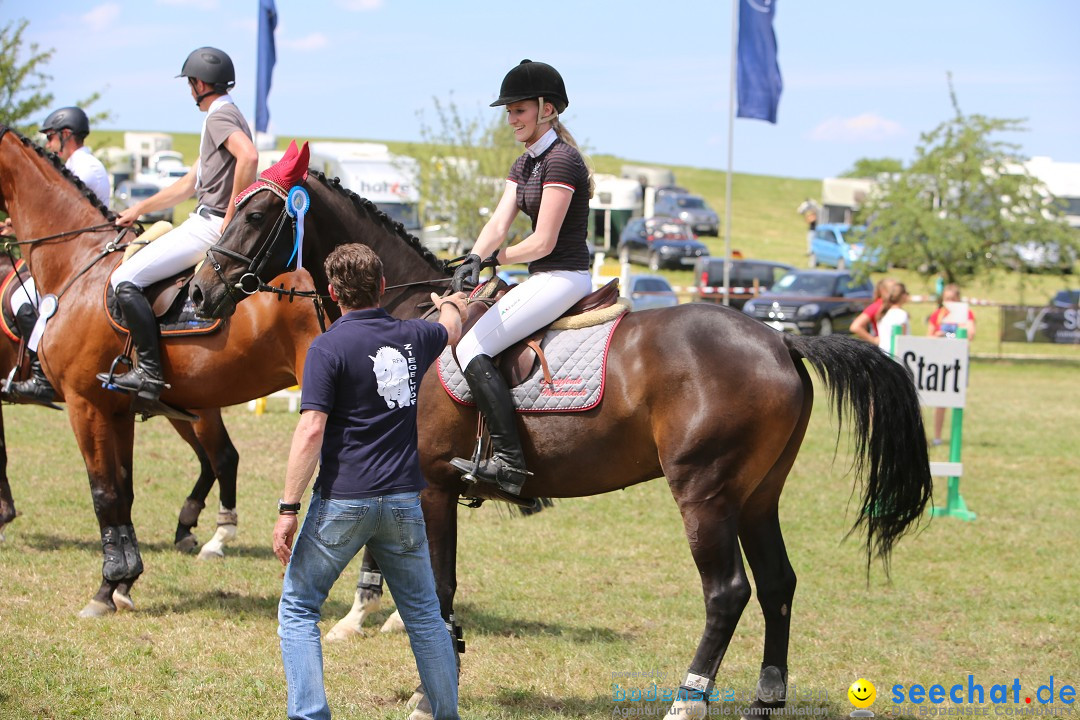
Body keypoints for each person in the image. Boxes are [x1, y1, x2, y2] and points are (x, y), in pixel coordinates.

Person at [273, 243, 466, 720]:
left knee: (298, 609)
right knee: (424, 615)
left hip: (343, 500)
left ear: (333, 293)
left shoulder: (327, 347)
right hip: (403, 501)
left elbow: (312, 429)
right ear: (382, 287)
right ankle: (445, 714)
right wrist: (451, 301)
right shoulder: (414, 336)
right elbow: (451, 329)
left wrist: (288, 508)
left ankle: (310, 713)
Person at [448, 59, 594, 496]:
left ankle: (510, 464)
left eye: (519, 110)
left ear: (547, 109)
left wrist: (497, 259)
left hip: (564, 276)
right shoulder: (525, 162)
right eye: (509, 111)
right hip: (541, 278)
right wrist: (473, 258)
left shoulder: (563, 161)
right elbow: (497, 222)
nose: (511, 119)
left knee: (473, 345)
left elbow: (543, 241)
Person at [98, 46, 258, 401]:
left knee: (124, 278)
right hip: (207, 219)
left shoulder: (218, 117)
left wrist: (233, 215)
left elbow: (249, 156)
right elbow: (187, 185)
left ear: (201, 83)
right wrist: (140, 208)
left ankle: (149, 374)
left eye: (190, 83)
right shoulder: (228, 115)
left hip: (209, 225)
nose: (190, 91)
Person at [3, 106, 110, 405]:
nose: (49, 146)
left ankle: (41, 376)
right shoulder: (84, 164)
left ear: (66, 135)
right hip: (78, 250)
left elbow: (65, 217)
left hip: (79, 256)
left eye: (50, 138)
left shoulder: (81, 168)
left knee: (21, 299)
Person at [927, 283, 976, 446]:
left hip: (958, 360)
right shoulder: (938, 315)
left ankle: (956, 437)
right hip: (940, 360)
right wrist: (939, 335)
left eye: (952, 299)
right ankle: (937, 437)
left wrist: (957, 329)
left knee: (957, 399)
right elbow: (929, 337)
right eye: (947, 298)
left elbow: (970, 334)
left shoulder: (966, 314)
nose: (949, 302)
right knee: (940, 402)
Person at [850, 277, 898, 344]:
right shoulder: (877, 306)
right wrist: (873, 340)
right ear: (883, 291)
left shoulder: (893, 306)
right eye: (893, 290)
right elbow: (855, 326)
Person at [875, 281, 910, 351]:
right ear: (902, 295)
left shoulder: (884, 313)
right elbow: (902, 339)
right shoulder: (901, 314)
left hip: (882, 352)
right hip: (895, 354)